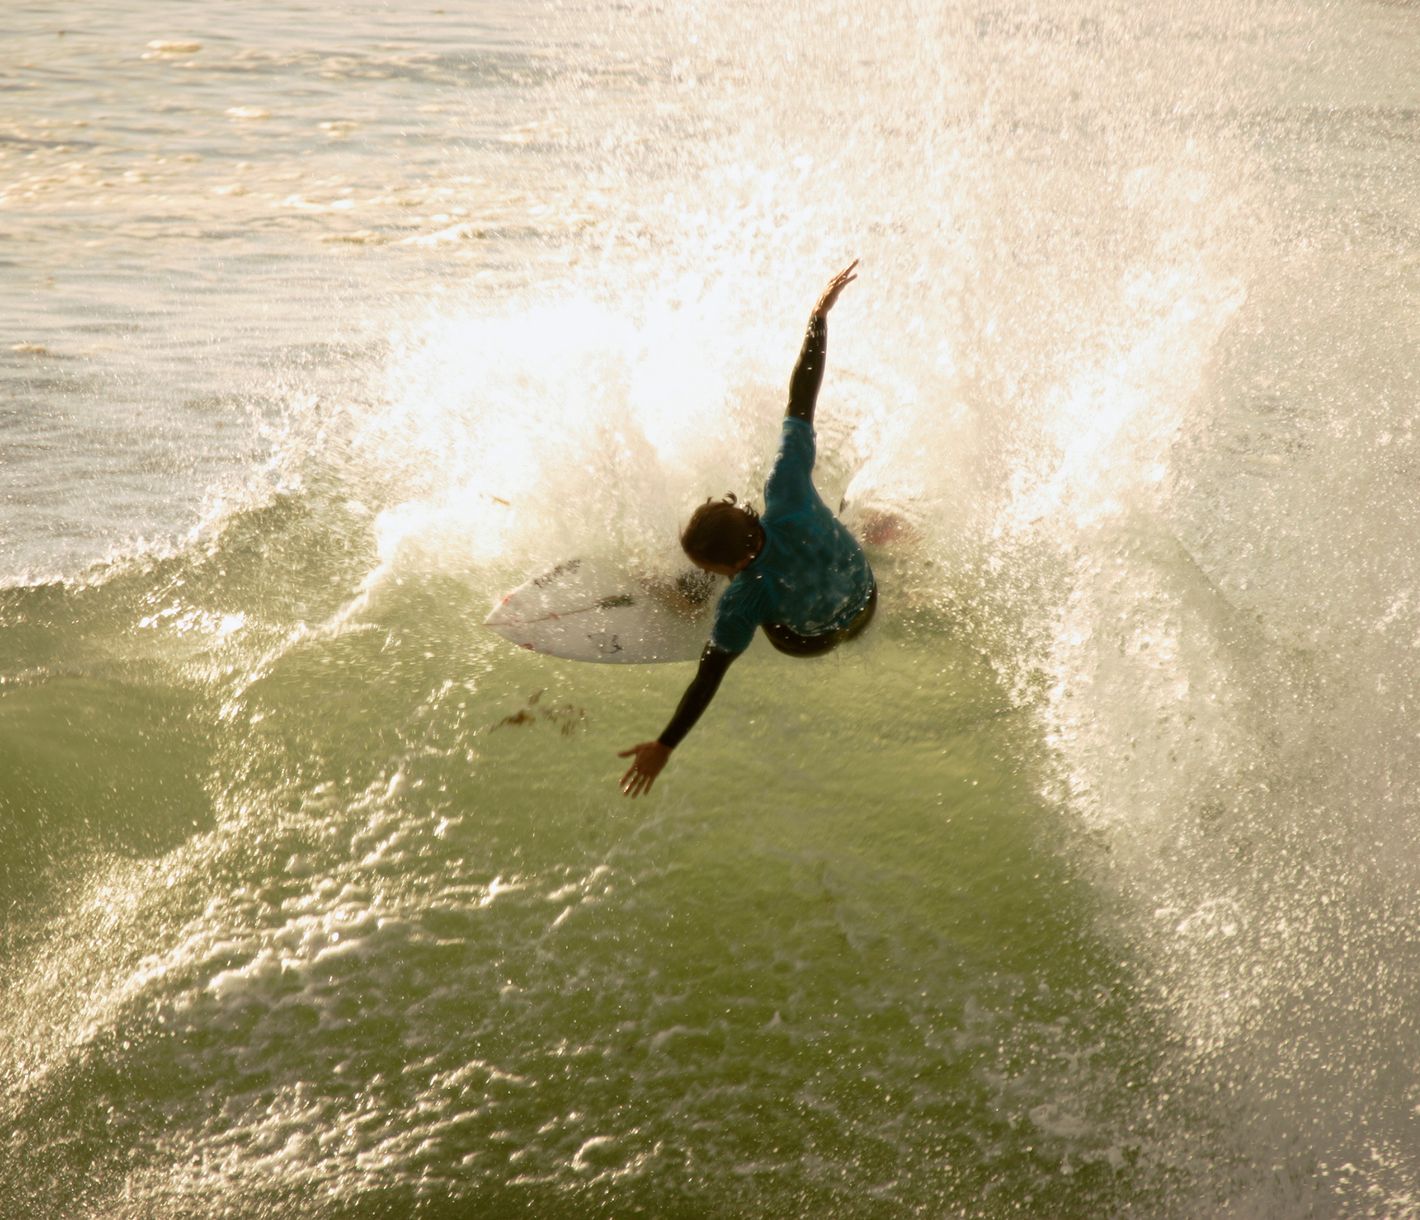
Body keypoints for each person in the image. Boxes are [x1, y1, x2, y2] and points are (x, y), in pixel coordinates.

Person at [618, 260, 875, 797]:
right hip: (866, 596)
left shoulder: (744, 599)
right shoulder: (785, 487)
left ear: (733, 565)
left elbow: (709, 676)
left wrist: (664, 744)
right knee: (812, 527)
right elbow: (801, 399)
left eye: (714, 567)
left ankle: (686, 595)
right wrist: (817, 317)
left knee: (747, 601)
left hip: (813, 640)